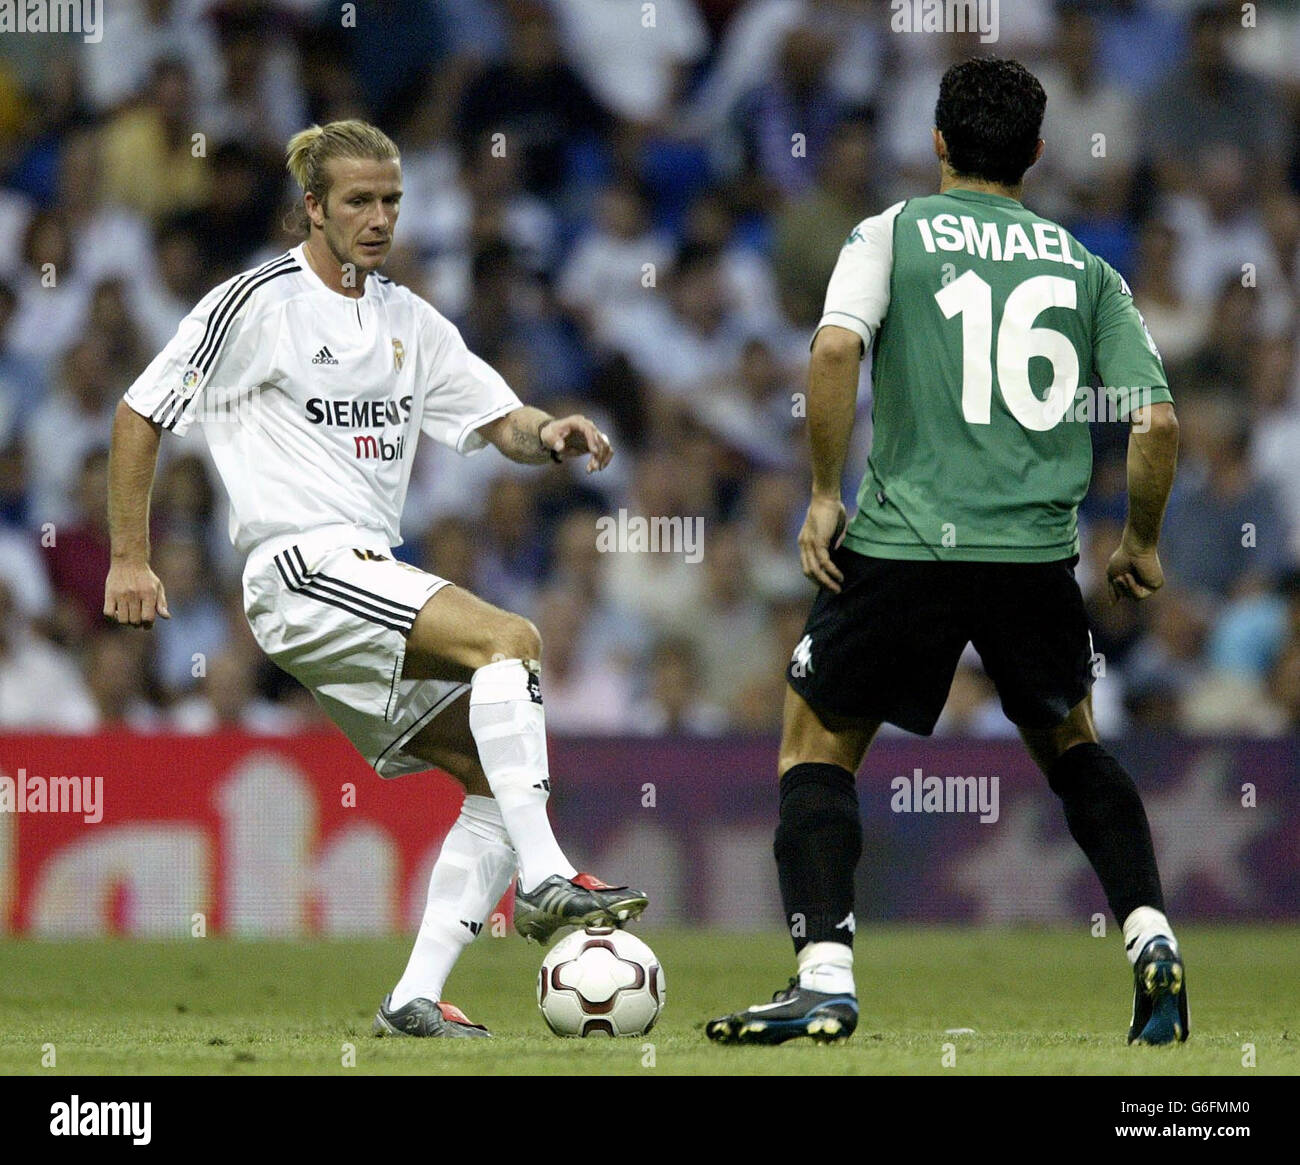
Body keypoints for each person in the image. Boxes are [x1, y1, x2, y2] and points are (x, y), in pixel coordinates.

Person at [103, 119, 647, 1039]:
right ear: (311, 207)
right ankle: (550, 877)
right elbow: (139, 411)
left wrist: (547, 431)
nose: (379, 217)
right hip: (299, 564)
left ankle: (413, 996)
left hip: (362, 574)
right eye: (358, 200)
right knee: (510, 641)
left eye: (391, 199)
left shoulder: (407, 318)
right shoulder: (254, 304)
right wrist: (129, 554)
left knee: (491, 778)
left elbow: (497, 419)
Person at [706, 59, 1186, 1047]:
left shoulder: (889, 231)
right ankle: (1147, 933)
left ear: (935, 140)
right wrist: (1137, 541)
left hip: (905, 542)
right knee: (1076, 749)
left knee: (814, 745)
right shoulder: (1085, 265)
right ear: (1038, 154)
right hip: (1034, 556)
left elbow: (835, 350)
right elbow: (1158, 422)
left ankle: (826, 977)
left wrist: (824, 495)